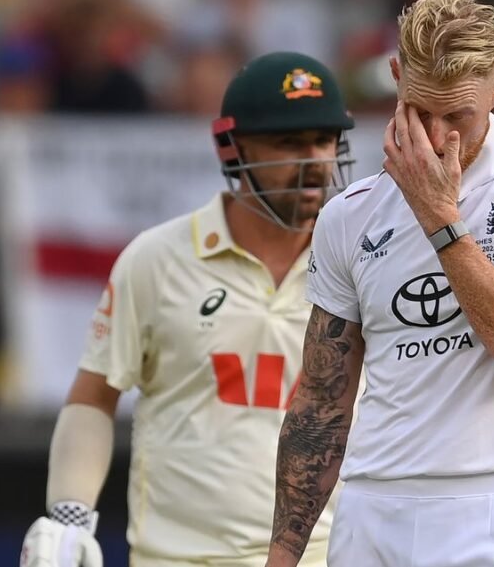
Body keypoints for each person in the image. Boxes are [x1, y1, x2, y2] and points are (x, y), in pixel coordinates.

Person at [265, 0, 494, 566]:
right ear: (396, 77)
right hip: (370, 508)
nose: (437, 136)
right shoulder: (348, 215)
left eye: (458, 117)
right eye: (420, 110)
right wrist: (282, 557)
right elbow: (322, 401)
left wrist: (439, 217)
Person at [20, 51, 355, 567]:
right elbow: (94, 396)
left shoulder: (358, 263)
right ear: (234, 148)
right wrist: (70, 516)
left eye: (325, 139)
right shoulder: (157, 259)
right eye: (289, 142)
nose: (314, 161)